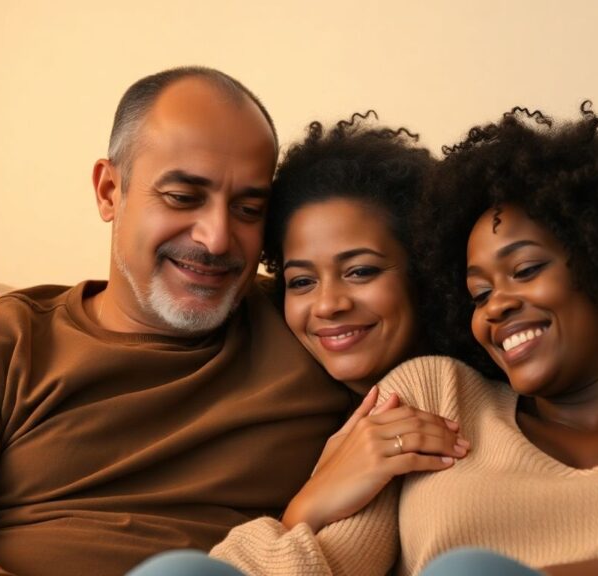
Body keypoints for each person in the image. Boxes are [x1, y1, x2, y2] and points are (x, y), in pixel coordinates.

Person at [199, 105, 598, 575]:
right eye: (478, 292)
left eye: (525, 270)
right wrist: (282, 526)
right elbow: (330, 564)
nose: (497, 306)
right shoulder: (436, 393)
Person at [0, 67, 356, 576]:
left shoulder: (314, 324)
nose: (217, 238)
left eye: (248, 209)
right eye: (183, 198)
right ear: (110, 191)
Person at [128, 115, 472, 575]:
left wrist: (305, 508)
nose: (328, 304)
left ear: (424, 269)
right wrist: (312, 501)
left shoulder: (451, 390)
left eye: (361, 271)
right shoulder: (327, 402)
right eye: (302, 281)